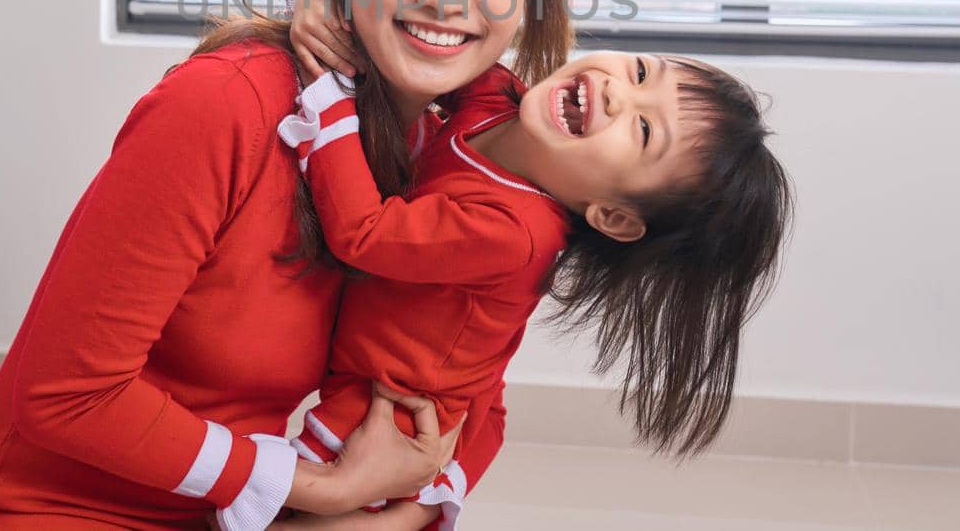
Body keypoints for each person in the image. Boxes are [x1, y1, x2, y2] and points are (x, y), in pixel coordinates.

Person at [0, 0, 573, 530]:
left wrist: (393, 516)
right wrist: (321, 490)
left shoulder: (444, 153)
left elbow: (470, 380)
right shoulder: (225, 104)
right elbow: (66, 395)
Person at [268, 48, 794, 529]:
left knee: (266, 507)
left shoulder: (514, 233)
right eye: (639, 72)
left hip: (390, 409)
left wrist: (329, 98)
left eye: (644, 131)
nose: (617, 91)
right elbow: (425, 56)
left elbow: (363, 233)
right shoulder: (497, 97)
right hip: (411, 386)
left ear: (612, 215)